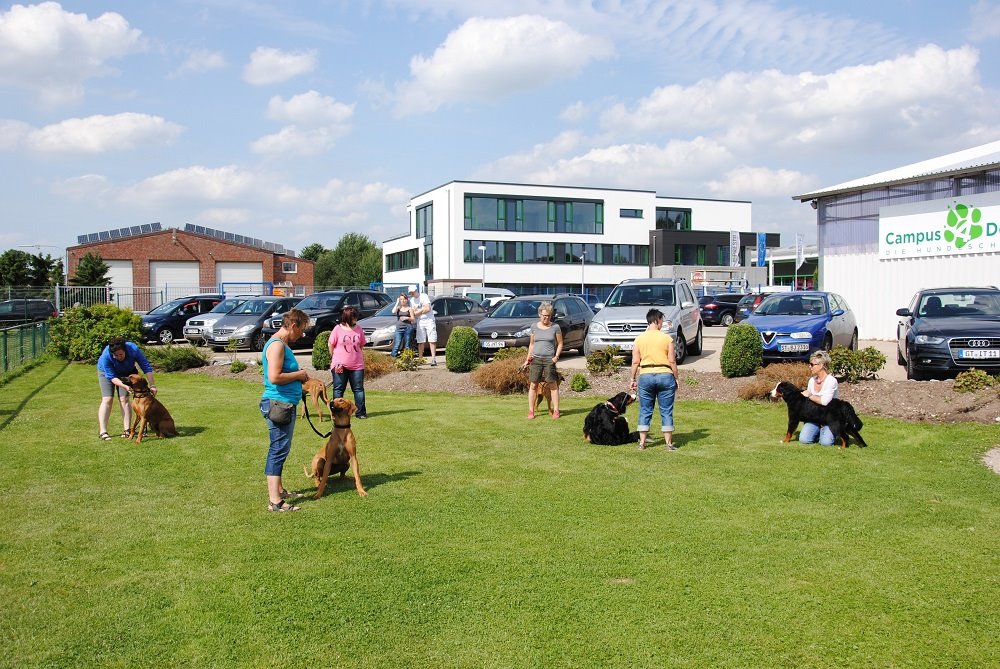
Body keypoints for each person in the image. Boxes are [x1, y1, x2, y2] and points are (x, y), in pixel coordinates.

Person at [261, 308, 311, 512]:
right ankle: (275, 501)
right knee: (278, 450)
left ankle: (279, 491)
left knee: (281, 448)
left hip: (284, 403)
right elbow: (274, 377)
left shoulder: (281, 344)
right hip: (279, 404)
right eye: (302, 330)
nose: (302, 334)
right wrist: (299, 375)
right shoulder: (277, 346)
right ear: (293, 326)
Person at [629, 308, 679, 450]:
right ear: (656, 320)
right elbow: (672, 361)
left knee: (645, 410)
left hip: (646, 375)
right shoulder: (667, 339)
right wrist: (676, 377)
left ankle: (642, 443)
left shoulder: (639, 339)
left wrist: (632, 378)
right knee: (666, 410)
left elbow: (635, 362)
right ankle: (669, 444)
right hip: (665, 374)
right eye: (662, 320)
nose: (662, 323)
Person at [96, 336, 156, 441]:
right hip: (106, 373)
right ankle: (103, 431)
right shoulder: (106, 355)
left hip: (127, 373)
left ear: (125, 350)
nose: (119, 357)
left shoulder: (133, 349)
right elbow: (112, 377)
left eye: (121, 354)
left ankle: (127, 430)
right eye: (116, 355)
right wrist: (124, 386)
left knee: (124, 399)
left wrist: (152, 385)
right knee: (107, 399)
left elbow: (146, 366)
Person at [526, 301, 563, 420]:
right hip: (536, 359)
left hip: (549, 360)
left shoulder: (555, 327)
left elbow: (560, 343)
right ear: (539, 314)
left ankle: (556, 410)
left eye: (548, 316)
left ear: (551, 316)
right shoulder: (533, 327)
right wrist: (528, 358)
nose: (545, 318)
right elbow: (531, 344)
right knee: (533, 385)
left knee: (553, 385)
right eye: (543, 315)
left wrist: (556, 357)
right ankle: (531, 411)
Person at [329, 305, 368, 418]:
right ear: (347, 318)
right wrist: (335, 359)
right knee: (338, 389)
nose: (356, 319)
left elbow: (361, 345)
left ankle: (360, 413)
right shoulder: (337, 329)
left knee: (358, 389)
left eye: (356, 317)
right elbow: (331, 345)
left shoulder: (359, 329)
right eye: (353, 317)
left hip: (357, 366)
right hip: (339, 365)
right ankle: (336, 413)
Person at [799, 350, 839, 446]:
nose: (810, 366)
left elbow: (825, 401)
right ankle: (818, 431)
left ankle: (833, 432)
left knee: (825, 443)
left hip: (830, 418)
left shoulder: (831, 381)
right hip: (815, 417)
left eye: (812, 364)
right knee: (804, 439)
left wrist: (810, 395)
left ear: (821, 365)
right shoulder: (812, 381)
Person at [409, 284, 438, 366]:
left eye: (412, 292)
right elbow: (413, 312)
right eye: (410, 292)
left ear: (415, 291)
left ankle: (433, 359)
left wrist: (418, 311)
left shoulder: (424, 296)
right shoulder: (411, 301)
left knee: (432, 339)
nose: (411, 294)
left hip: (429, 320)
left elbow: (428, 308)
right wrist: (422, 310)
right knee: (420, 340)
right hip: (420, 321)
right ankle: (420, 359)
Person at [390, 291, 415, 357]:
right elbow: (393, 311)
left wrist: (407, 318)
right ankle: (392, 359)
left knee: (407, 345)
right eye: (401, 299)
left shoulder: (409, 308)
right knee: (397, 344)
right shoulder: (398, 308)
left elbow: (413, 319)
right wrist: (397, 303)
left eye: (404, 299)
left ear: (407, 300)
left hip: (408, 328)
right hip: (399, 329)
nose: (403, 301)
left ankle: (407, 360)